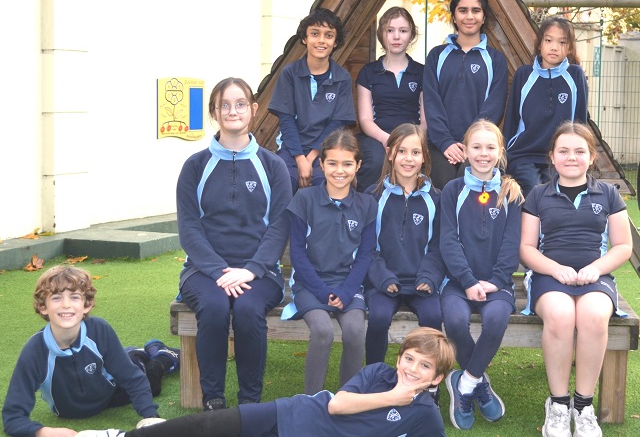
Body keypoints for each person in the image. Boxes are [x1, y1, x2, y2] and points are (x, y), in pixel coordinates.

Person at [70, 327, 456, 437]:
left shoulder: (423, 415)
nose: (412, 369)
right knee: (209, 421)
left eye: (424, 367)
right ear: (399, 357)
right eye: (409, 359)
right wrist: (392, 396)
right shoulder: (380, 376)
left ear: (437, 378)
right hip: (290, 412)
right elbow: (337, 406)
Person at [176, 77, 293, 411]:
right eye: (224, 105)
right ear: (214, 112)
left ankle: (249, 403)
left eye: (240, 103)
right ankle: (213, 400)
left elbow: (278, 226)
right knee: (213, 308)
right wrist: (217, 271)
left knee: (247, 309)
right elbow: (189, 228)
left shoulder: (273, 166)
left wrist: (251, 270)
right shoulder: (195, 166)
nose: (232, 111)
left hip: (260, 273)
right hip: (203, 271)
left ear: (253, 110)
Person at [519, 121, 633, 437]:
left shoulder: (609, 194)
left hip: (595, 279)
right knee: (560, 315)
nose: (572, 157)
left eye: (579, 151)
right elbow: (526, 249)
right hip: (549, 278)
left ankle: (583, 406)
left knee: (594, 316)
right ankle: (557, 404)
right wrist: (556, 270)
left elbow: (623, 246)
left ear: (591, 157)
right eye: (564, 151)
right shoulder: (538, 195)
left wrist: (596, 270)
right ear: (552, 158)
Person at [2, 266, 179, 437]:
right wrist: (44, 433)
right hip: (74, 410)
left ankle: (162, 356)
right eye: (56, 298)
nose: (66, 305)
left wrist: (151, 418)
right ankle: (146, 352)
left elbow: (132, 379)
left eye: (74, 297)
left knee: (150, 381)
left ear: (87, 304)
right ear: (42, 307)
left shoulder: (98, 330)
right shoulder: (35, 351)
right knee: (137, 371)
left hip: (113, 393)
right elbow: (12, 417)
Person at [439, 119, 523, 430]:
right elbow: (448, 240)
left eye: (490, 147)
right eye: (476, 147)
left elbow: (511, 242)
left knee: (496, 319)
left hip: (497, 284)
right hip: (457, 283)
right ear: (466, 151)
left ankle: (465, 383)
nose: (483, 154)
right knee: (456, 322)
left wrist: (497, 280)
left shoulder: (510, 192)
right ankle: (481, 385)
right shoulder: (452, 190)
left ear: (500, 152)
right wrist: (468, 281)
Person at [282, 128, 377, 394]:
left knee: (356, 332)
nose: (340, 170)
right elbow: (298, 254)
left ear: (358, 165)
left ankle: (347, 399)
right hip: (310, 286)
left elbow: (365, 255)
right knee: (322, 331)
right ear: (321, 164)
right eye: (332, 163)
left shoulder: (367, 204)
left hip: (348, 286)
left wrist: (346, 292)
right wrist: (323, 292)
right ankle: (312, 402)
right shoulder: (304, 199)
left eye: (347, 163)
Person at [365, 124, 443, 373]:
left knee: (432, 319)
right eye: (402, 151)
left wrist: (429, 277)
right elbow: (366, 248)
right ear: (390, 154)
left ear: (424, 157)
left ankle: (429, 388)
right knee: (377, 318)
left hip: (421, 283)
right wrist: (383, 277)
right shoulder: (373, 196)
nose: (408, 159)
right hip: (384, 282)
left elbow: (439, 246)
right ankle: (374, 379)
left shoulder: (436, 199)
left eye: (416, 152)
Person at [423, 0, 508, 189]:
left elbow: (493, 107)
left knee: (469, 186)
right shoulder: (437, 56)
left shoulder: (495, 59)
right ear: (454, 16)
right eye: (463, 10)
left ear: (484, 17)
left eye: (475, 10)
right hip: (440, 145)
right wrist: (446, 143)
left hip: (479, 147)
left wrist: (472, 145)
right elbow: (431, 102)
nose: (469, 16)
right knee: (443, 186)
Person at [269, 8, 355, 192]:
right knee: (283, 182)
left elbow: (337, 124)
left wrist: (312, 157)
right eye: (315, 34)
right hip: (292, 148)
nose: (321, 40)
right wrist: (300, 158)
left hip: (326, 151)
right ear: (304, 38)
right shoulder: (290, 73)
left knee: (324, 186)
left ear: (335, 42)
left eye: (329, 35)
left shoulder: (342, 77)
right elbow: (286, 119)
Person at [504, 16, 589, 196]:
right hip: (523, 154)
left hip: (560, 156)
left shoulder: (575, 75)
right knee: (535, 190)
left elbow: (580, 122)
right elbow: (512, 119)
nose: (554, 47)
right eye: (548, 40)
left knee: (555, 195)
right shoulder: (524, 75)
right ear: (539, 43)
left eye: (562, 42)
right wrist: (505, 155)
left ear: (570, 47)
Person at [356, 7, 426, 191]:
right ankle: (367, 210)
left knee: (420, 163)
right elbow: (365, 119)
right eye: (390, 30)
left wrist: (411, 141)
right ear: (381, 34)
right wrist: (386, 139)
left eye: (403, 31)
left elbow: (425, 120)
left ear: (411, 35)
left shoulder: (422, 72)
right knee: (376, 163)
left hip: (412, 135)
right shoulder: (368, 72)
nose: (396, 36)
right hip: (377, 135)